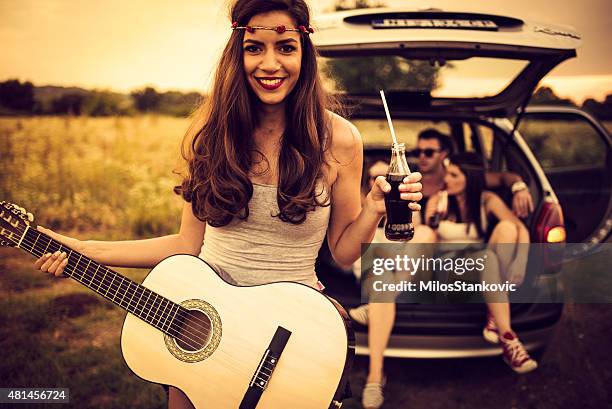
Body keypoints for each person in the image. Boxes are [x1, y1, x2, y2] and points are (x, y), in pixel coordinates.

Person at [30, 1, 423, 408]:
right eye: (255, 47)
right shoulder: (211, 134)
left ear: (304, 53)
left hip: (290, 335)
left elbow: (342, 251)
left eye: (285, 47)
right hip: (206, 330)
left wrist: (376, 207)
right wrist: (85, 250)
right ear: (237, 53)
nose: (270, 63)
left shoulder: (340, 139)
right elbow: (187, 245)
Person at [422, 152, 537, 374]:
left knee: (507, 228)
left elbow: (520, 228)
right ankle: (509, 339)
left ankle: (498, 320)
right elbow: (429, 244)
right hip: (448, 271)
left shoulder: (487, 200)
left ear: (471, 178)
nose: (447, 180)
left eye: (454, 175)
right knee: (487, 258)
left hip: (483, 268)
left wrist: (521, 262)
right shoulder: (438, 200)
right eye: (447, 174)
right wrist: (437, 214)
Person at [414, 128, 534, 220]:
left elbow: (505, 177)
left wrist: (519, 188)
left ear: (444, 153)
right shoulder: (410, 183)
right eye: (417, 152)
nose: (422, 157)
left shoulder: (463, 175)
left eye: (428, 152)